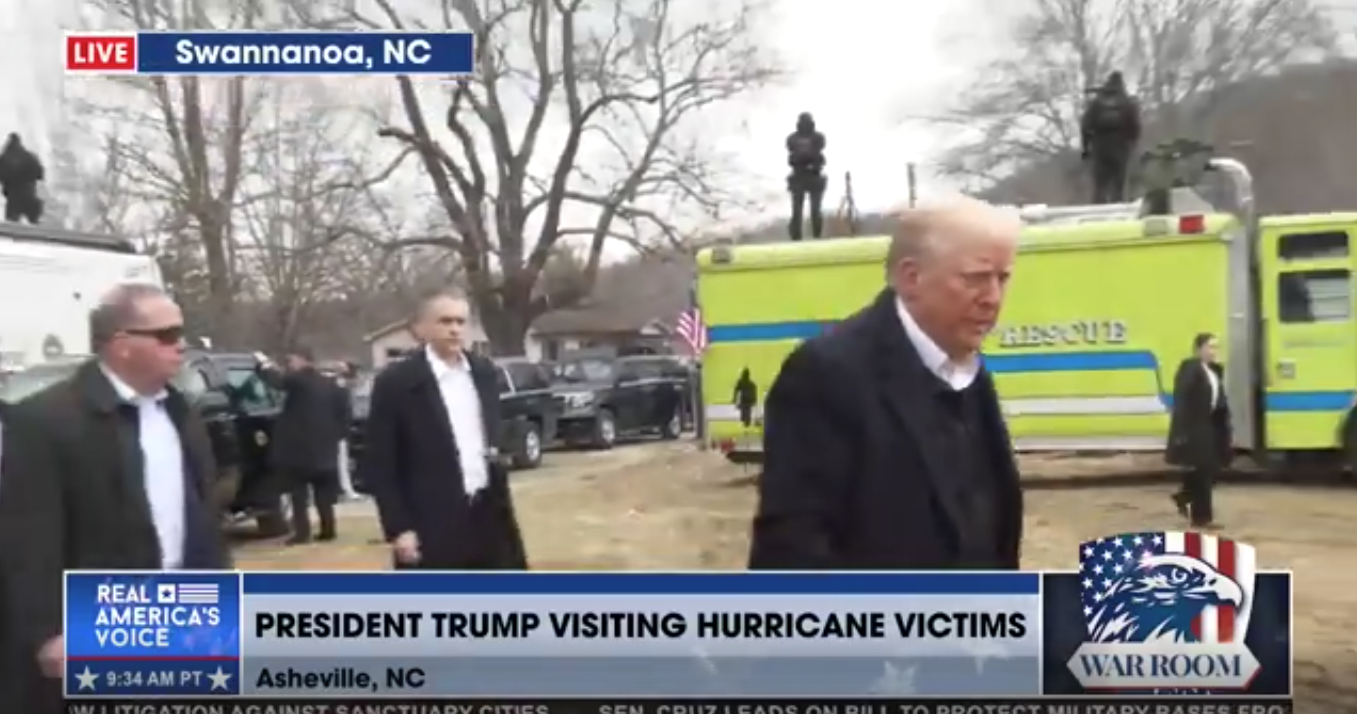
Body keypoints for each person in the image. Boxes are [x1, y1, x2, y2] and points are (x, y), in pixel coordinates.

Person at [749, 199, 1025, 570]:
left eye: (1002, 278)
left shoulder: (969, 373)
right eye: (975, 278)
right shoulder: (828, 373)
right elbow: (793, 549)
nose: (993, 298)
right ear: (911, 278)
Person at [0, 283, 230, 713]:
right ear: (121, 344)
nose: (180, 346)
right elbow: (27, 536)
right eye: (166, 335)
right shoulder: (45, 420)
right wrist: (48, 629)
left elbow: (201, 513)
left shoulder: (180, 412)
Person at [361, 291, 528, 570]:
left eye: (461, 322)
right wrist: (400, 528)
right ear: (421, 328)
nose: (454, 329)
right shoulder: (398, 383)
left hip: (488, 514)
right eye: (445, 321)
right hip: (432, 519)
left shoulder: (483, 372)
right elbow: (381, 463)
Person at [255, 346, 349, 545]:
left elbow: (276, 381)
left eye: (292, 361)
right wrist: (336, 436)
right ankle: (328, 529)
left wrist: (263, 364)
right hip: (325, 450)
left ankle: (302, 533)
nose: (290, 365)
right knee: (323, 494)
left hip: (299, 452)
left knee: (298, 494)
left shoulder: (299, 380)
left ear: (303, 360)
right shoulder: (331, 384)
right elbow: (345, 414)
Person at [1167, 332, 1230, 529]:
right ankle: (1202, 518)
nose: (1214, 351)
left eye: (1216, 347)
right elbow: (1182, 401)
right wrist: (1180, 433)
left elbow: (1218, 401)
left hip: (1211, 427)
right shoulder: (1190, 368)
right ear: (1199, 349)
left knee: (1209, 470)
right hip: (1195, 428)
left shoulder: (1215, 371)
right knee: (1203, 472)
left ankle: (1184, 496)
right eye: (1210, 347)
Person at [1080, 72, 1141, 204]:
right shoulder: (1126, 103)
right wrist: (1133, 143)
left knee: (1100, 183)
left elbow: (1085, 126)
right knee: (1118, 181)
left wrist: (1086, 148)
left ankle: (1098, 206)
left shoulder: (1097, 103)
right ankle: (1117, 204)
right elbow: (1134, 125)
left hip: (1100, 145)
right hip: (1120, 144)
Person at [786, 112, 827, 241]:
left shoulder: (815, 138)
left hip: (810, 175)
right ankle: (805, 235)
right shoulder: (796, 138)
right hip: (802, 175)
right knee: (801, 210)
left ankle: (810, 235)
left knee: (810, 210)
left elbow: (818, 153)